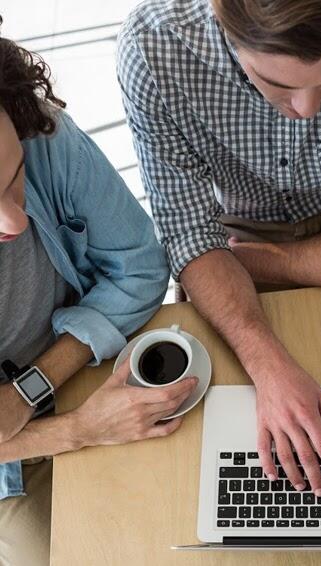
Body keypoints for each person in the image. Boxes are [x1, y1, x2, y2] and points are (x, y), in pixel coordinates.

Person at [117, 0, 321, 495]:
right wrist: (268, 366)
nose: (307, 110)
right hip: (237, 234)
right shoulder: (154, 47)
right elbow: (191, 237)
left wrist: (261, 261)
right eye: (277, 84)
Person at [0, 21, 198, 566]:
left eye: (13, 176)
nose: (15, 222)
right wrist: (79, 431)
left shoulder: (37, 129)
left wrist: (29, 389)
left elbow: (137, 270)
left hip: (84, 367)